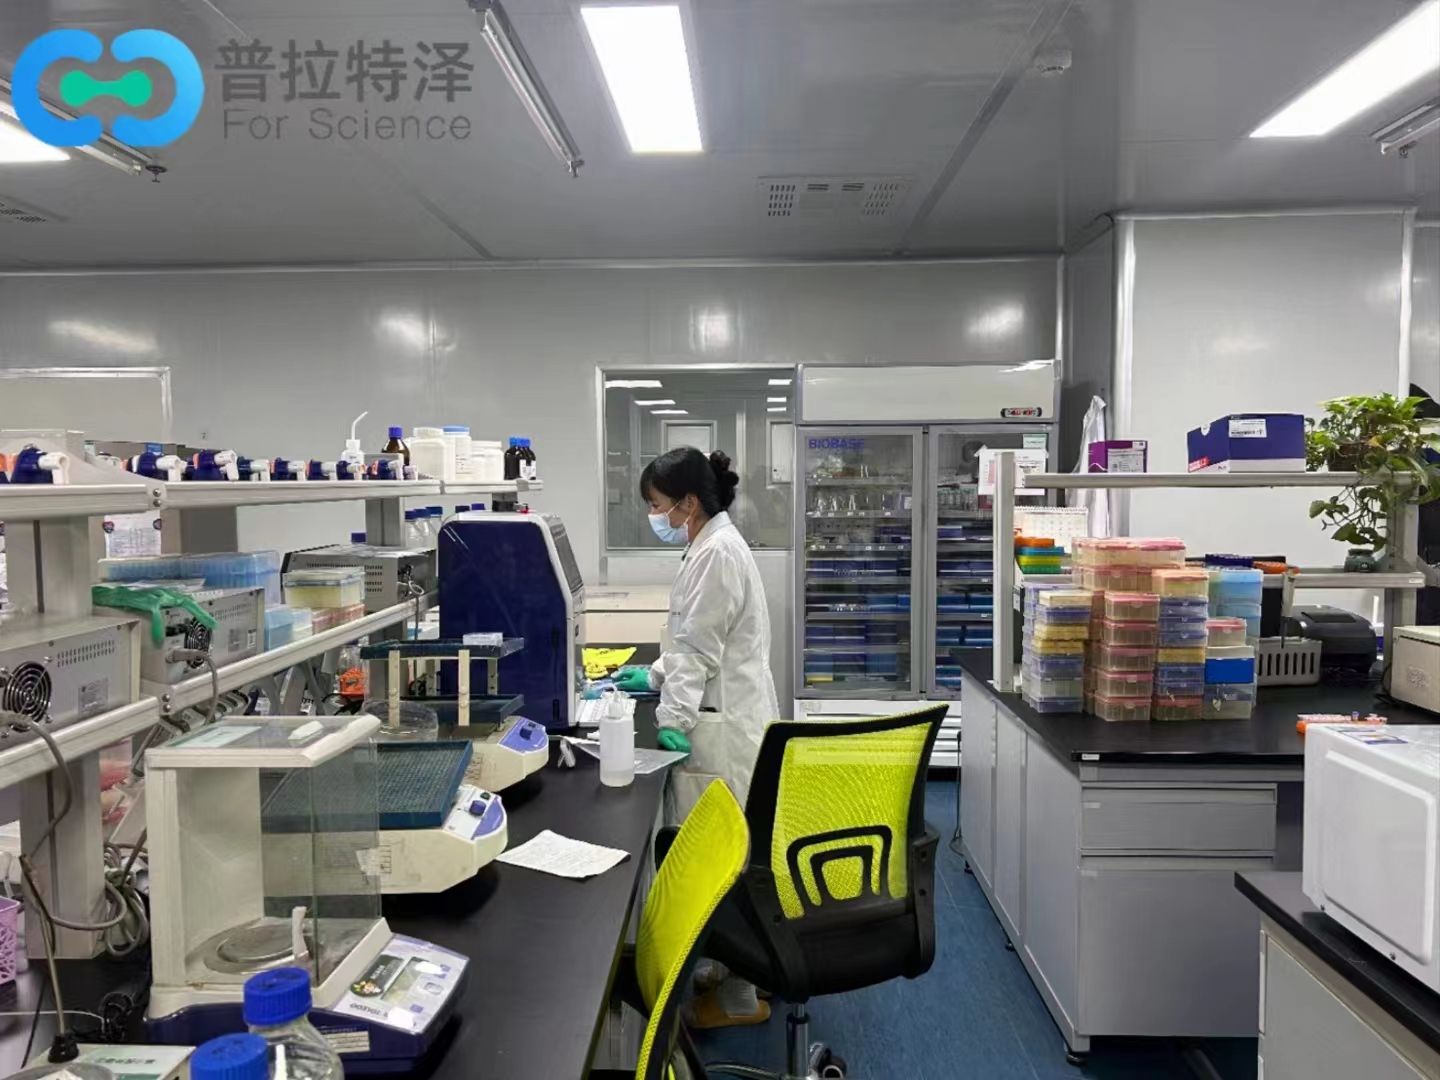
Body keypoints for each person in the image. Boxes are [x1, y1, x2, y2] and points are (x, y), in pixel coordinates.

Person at [613, 446, 779, 1029]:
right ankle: (727, 968)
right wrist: (655, 675)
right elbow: (692, 640)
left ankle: (741, 996)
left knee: (724, 861)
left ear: (688, 503)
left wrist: (672, 720)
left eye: (657, 504)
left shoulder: (717, 554)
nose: (653, 516)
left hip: (722, 728)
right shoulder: (710, 545)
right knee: (719, 857)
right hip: (726, 712)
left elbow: (700, 652)